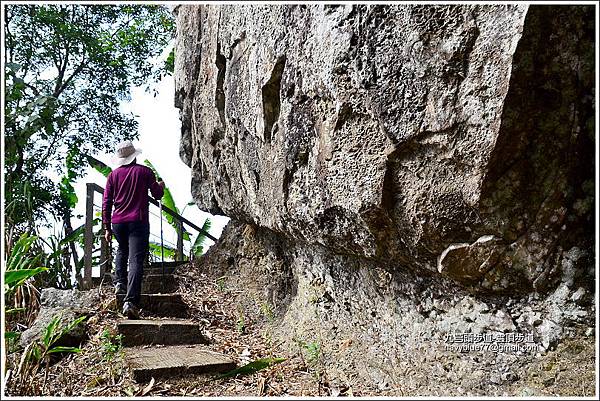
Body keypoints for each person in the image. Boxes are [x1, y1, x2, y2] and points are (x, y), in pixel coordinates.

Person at [102, 140, 165, 319]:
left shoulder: (112, 176)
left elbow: (106, 202)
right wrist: (161, 186)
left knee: (122, 249)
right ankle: (130, 301)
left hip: (118, 222)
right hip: (138, 220)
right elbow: (157, 194)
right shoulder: (144, 172)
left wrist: (107, 227)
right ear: (134, 156)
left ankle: (120, 283)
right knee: (136, 259)